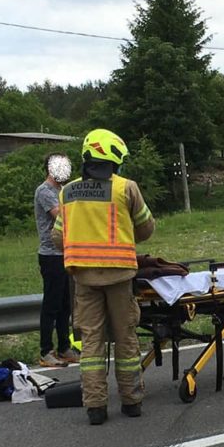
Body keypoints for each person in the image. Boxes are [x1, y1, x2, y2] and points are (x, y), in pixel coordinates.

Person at [52, 129, 155, 426]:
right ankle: (132, 401)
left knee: (92, 344)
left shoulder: (67, 192)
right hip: (120, 276)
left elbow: (58, 239)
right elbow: (146, 229)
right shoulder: (127, 188)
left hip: (83, 278)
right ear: (114, 159)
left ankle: (95, 406)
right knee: (126, 340)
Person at [34, 153, 79, 368]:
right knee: (51, 305)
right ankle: (45, 351)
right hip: (51, 255)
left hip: (65, 253)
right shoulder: (45, 191)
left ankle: (64, 347)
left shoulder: (63, 191)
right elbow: (62, 216)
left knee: (65, 305)